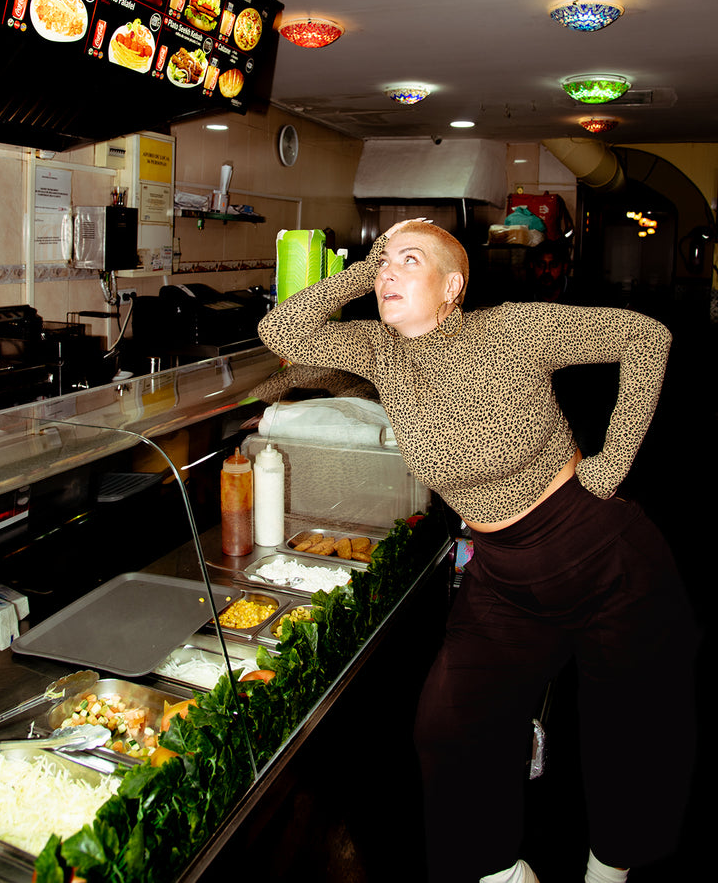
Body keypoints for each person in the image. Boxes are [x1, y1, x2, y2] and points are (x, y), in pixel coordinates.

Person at [258, 219, 696, 883]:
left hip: (600, 554)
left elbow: (647, 335)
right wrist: (362, 267)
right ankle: (505, 875)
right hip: (502, 574)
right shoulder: (382, 351)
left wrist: (610, 466)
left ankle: (609, 871)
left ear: (453, 287)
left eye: (410, 260)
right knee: (450, 726)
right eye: (384, 264)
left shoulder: (511, 328)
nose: (388, 274)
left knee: (624, 736)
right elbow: (282, 334)